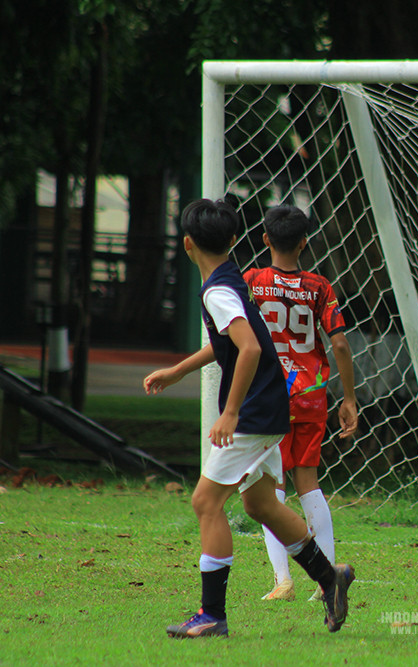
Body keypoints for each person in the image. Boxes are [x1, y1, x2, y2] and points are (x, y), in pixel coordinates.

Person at [143, 198, 354, 637]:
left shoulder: (220, 290)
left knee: (205, 502)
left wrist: (231, 412)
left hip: (255, 413)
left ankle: (211, 615)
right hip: (276, 407)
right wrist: (179, 370)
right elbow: (235, 342)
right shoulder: (233, 280)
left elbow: (251, 348)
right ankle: (330, 578)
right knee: (260, 504)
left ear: (186, 245)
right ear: (235, 240)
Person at [242, 205, 358, 602]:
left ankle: (283, 581)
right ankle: (326, 578)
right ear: (305, 241)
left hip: (268, 397)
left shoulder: (253, 281)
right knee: (309, 484)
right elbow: (339, 342)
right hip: (310, 395)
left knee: (269, 489)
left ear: (265, 239)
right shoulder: (320, 287)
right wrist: (349, 397)